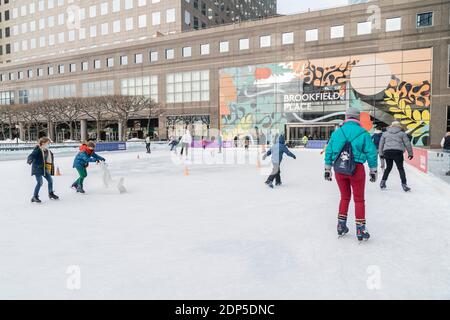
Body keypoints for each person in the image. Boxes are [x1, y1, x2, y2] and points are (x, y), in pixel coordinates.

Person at [324, 107, 378, 242]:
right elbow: (371, 152)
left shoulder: (337, 133)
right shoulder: (364, 133)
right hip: (357, 169)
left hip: (339, 169)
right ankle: (360, 229)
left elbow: (329, 151)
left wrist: (327, 168)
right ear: (357, 118)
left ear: (346, 117)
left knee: (344, 197)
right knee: (359, 199)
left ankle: (341, 226)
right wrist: (373, 170)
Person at [379, 121, 414, 192]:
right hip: (398, 152)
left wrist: (381, 154)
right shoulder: (402, 133)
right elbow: (407, 144)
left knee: (388, 168)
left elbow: (381, 144)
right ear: (399, 126)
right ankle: (404, 185)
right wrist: (410, 153)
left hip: (387, 152)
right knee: (400, 168)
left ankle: (383, 182)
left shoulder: (385, 133)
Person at [27, 137, 59, 203]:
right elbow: (31, 155)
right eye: (48, 143)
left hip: (44, 168)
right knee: (40, 182)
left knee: (50, 180)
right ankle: (34, 197)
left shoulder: (46, 150)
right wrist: (29, 160)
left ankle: (50, 193)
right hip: (37, 168)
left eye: (49, 143)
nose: (49, 145)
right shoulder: (37, 150)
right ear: (43, 143)